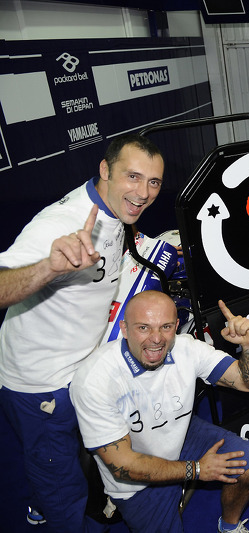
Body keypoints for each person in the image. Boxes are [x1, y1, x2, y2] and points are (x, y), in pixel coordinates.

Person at [0, 134, 164, 532]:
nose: (143, 194)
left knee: (67, 456)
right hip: (41, 384)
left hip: (78, 366)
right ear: (105, 171)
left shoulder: (116, 211)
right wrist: (49, 268)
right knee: (64, 490)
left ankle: (43, 499)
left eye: (154, 182)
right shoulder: (62, 223)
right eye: (133, 177)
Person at [70, 292, 249, 533]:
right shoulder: (94, 379)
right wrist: (198, 469)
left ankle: (229, 526)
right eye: (143, 327)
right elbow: (123, 466)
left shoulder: (187, 348)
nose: (156, 339)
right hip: (135, 478)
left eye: (165, 327)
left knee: (246, 465)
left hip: (179, 434)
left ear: (176, 326)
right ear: (124, 328)